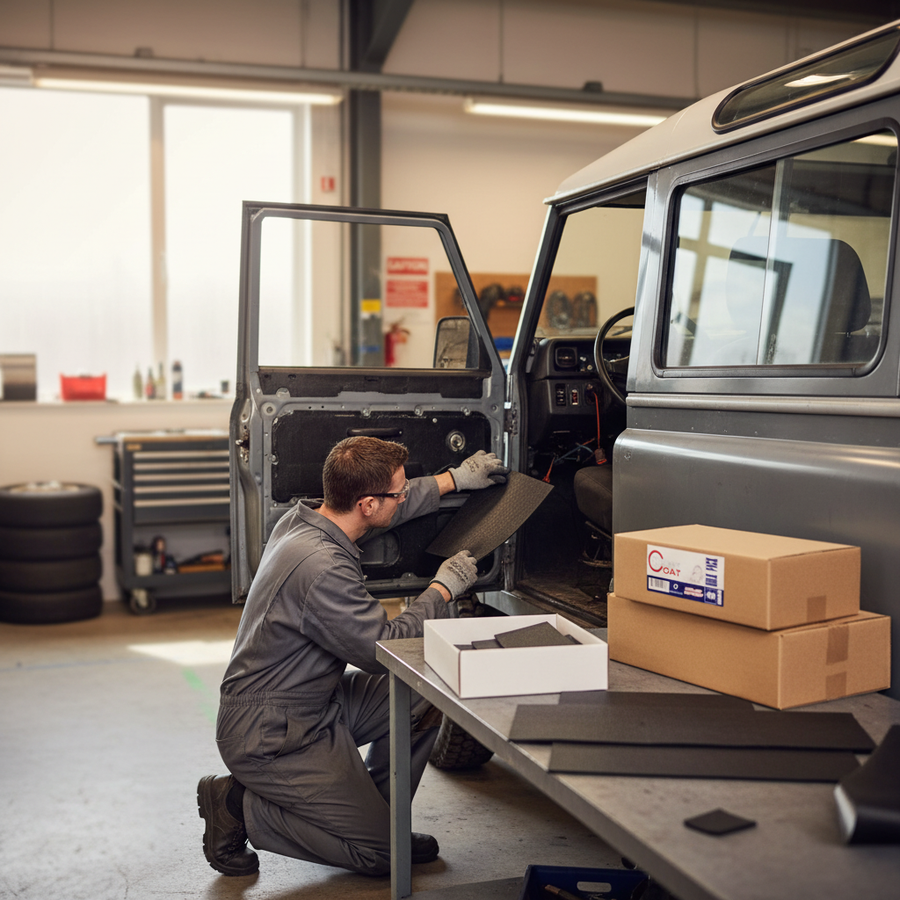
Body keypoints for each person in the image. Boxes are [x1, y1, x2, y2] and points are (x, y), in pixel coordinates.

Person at [198, 437, 508, 878]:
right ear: (365, 503)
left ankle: (379, 822)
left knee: (428, 684)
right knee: (384, 858)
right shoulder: (322, 567)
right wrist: (443, 589)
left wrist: (453, 480)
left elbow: (392, 505)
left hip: (309, 701)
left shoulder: (304, 520)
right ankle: (238, 807)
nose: (403, 497)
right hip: (271, 733)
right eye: (397, 493)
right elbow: (384, 649)